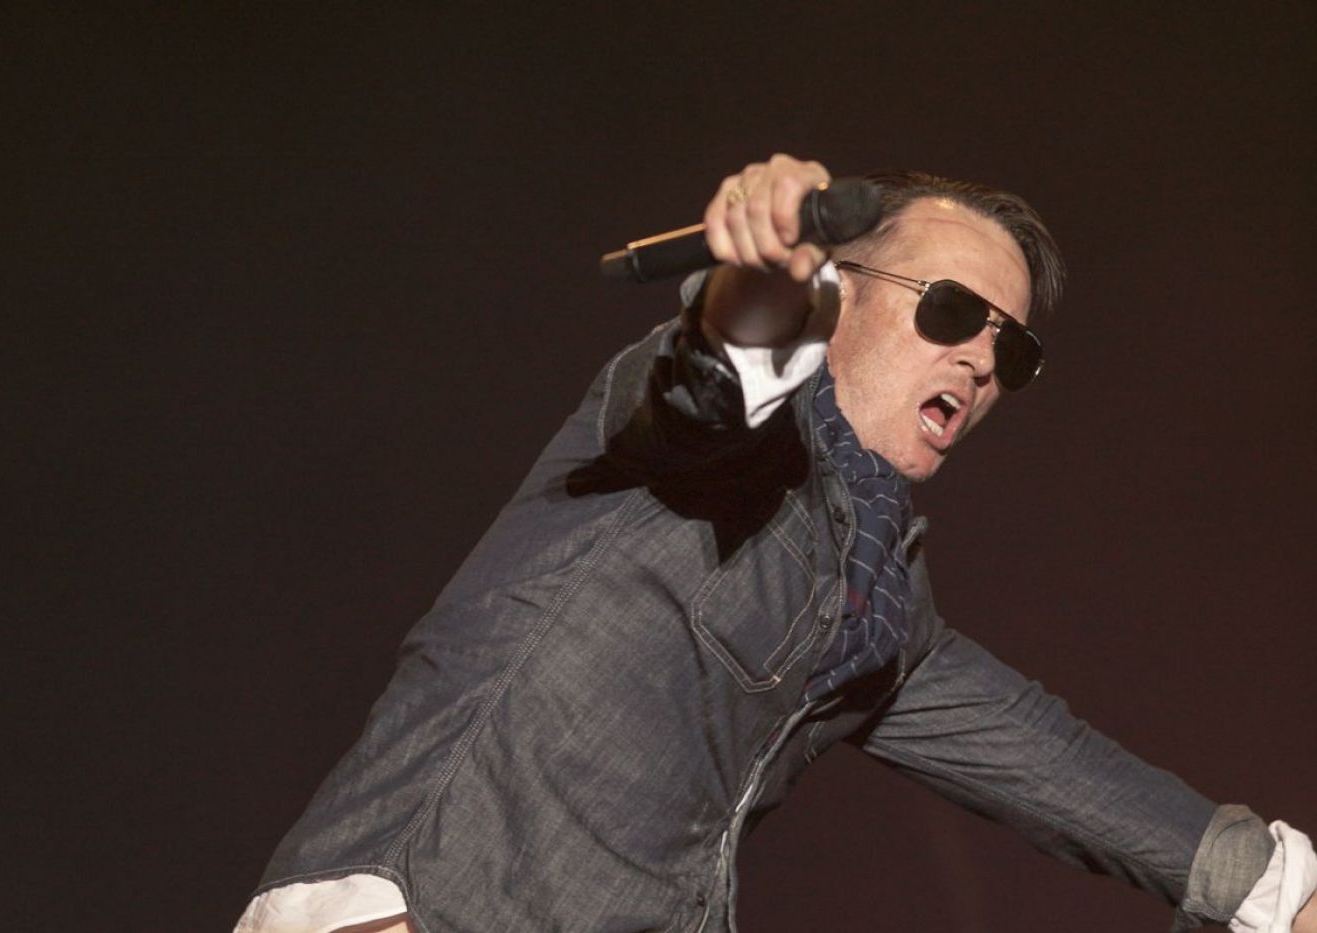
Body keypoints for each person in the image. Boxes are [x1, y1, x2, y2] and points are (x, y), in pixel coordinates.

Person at [235, 155, 1315, 932]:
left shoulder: (883, 606)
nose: (982, 360)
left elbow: (1049, 761)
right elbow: (712, 379)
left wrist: (1278, 888)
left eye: (1012, 347)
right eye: (950, 311)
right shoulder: (702, 445)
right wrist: (769, 276)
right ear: (839, 292)